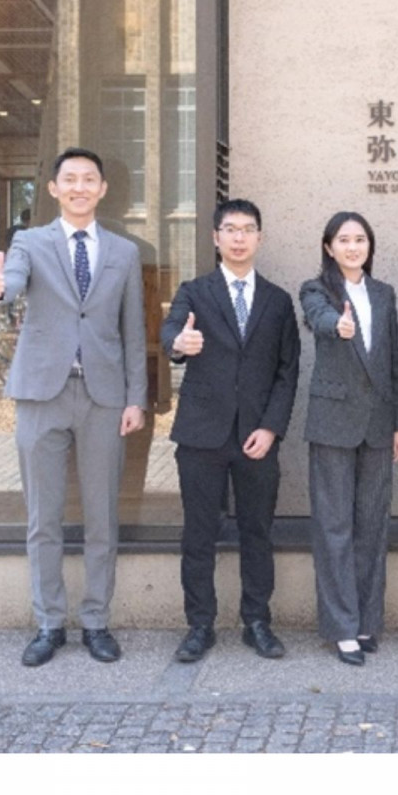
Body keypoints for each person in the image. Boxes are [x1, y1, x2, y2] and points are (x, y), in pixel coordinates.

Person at [0, 147, 147, 667]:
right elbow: (12, 282)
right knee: (43, 517)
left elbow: (133, 331)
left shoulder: (124, 252)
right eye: (69, 179)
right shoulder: (30, 242)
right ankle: (49, 622)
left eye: (88, 179)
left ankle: (96, 621)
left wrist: (136, 398)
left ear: (102, 189)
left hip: (103, 397)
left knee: (102, 518)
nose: (79, 187)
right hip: (41, 394)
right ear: (53, 189)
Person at [160, 198, 300, 664]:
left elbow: (287, 372)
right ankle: (199, 625)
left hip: (257, 437)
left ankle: (257, 621)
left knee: (257, 532)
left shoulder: (278, 301)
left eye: (247, 229)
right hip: (201, 435)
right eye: (231, 230)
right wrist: (179, 343)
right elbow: (170, 333)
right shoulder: (194, 292)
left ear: (260, 237)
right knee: (198, 533)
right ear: (216, 238)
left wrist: (272, 428)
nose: (239, 238)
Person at [299, 212, 398, 666]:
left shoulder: (383, 293)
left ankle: (366, 621)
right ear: (329, 247)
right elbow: (318, 318)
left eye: (360, 239)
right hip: (333, 423)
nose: (353, 246)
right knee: (334, 527)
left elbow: (394, 359)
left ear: (369, 245)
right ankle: (341, 627)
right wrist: (337, 325)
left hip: (379, 424)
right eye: (343, 239)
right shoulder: (316, 290)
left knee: (372, 526)